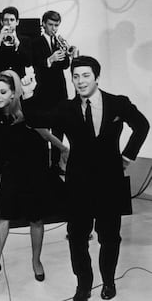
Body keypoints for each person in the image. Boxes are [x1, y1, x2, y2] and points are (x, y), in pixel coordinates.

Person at [23, 56, 149, 301]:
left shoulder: (117, 103)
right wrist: (28, 95)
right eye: (76, 76)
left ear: (97, 77)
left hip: (110, 182)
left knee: (109, 237)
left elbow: (142, 125)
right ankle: (83, 285)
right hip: (78, 182)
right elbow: (35, 120)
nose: (80, 81)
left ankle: (109, 282)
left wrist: (128, 157)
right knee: (77, 238)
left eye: (86, 75)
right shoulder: (66, 108)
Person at [0, 70, 68, 286]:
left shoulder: (28, 112)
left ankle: (36, 261)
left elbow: (46, 134)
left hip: (35, 171)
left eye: (3, 92)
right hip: (11, 172)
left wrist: (64, 149)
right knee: (2, 219)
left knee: (36, 219)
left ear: (13, 94)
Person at [32, 10, 70, 175]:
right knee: (43, 129)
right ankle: (41, 163)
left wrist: (67, 53)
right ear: (44, 24)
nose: (54, 28)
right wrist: (50, 59)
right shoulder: (36, 42)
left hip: (60, 90)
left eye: (56, 25)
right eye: (51, 25)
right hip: (43, 90)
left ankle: (55, 163)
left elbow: (65, 65)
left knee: (59, 127)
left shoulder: (58, 41)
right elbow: (35, 64)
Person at [0, 6, 32, 79]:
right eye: (6, 20)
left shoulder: (25, 40)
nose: (9, 23)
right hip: (0, 80)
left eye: (12, 20)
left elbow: (28, 62)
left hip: (19, 80)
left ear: (17, 22)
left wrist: (17, 43)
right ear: (1, 22)